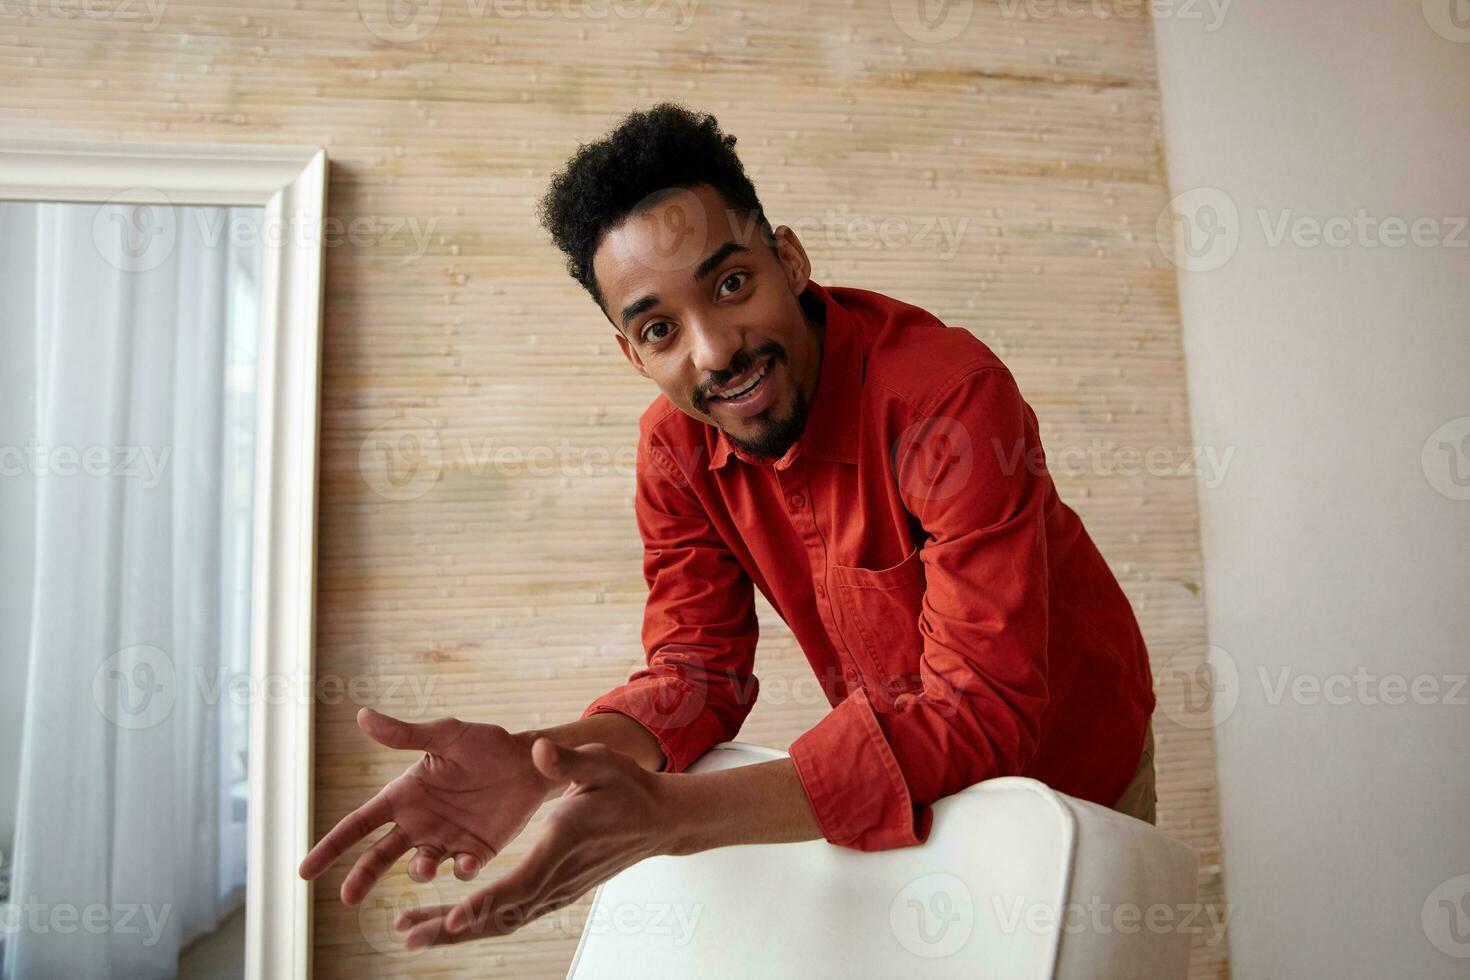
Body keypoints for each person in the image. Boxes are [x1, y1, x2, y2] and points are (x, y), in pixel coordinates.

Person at [298, 102, 1158, 949]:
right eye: (661, 329)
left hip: (1076, 783)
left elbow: (982, 709)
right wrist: (536, 761)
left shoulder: (948, 400)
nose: (713, 351)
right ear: (633, 355)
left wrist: (674, 819)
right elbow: (698, 675)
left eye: (732, 284)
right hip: (917, 788)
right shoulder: (673, 452)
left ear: (788, 258)